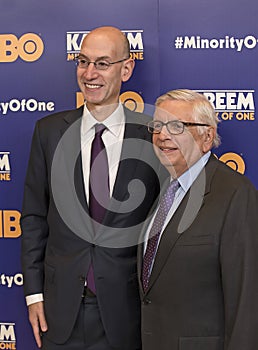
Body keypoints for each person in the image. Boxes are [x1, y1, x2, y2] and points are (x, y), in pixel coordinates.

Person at [21, 26, 165, 350]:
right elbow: (33, 218)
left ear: (126, 69)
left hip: (126, 313)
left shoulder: (151, 137)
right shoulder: (48, 133)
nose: (89, 73)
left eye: (102, 63)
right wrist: (33, 294)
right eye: (83, 61)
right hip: (59, 312)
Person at [138, 89, 258, 350]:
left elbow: (246, 300)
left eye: (177, 126)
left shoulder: (235, 193)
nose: (162, 135)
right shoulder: (164, 189)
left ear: (207, 137)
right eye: (157, 125)